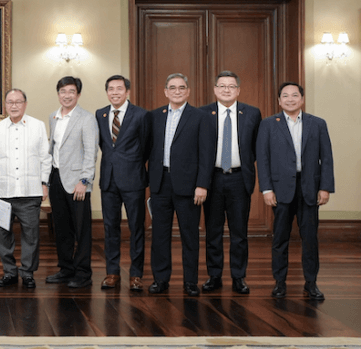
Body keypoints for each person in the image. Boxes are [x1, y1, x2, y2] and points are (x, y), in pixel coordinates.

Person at [256, 82, 334, 300]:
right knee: (280, 238)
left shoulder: (317, 124)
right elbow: (263, 160)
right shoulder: (268, 124)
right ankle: (279, 283)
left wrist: (325, 187)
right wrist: (267, 189)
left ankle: (311, 283)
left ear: (302, 99)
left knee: (310, 238)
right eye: (285, 96)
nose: (290, 99)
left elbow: (326, 158)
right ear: (279, 100)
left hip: (309, 187)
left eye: (294, 95)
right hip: (280, 189)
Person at [147, 73, 215, 296]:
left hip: (189, 186)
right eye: (172, 87)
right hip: (160, 183)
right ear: (165, 91)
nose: (177, 91)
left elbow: (207, 154)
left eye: (181, 87)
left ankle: (190, 282)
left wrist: (202, 184)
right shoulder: (154, 116)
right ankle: (160, 279)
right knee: (159, 235)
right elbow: (147, 150)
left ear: (188, 91)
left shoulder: (200, 116)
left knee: (189, 236)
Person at [200, 71, 261, 295]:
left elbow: (256, 148)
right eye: (222, 86)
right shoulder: (203, 113)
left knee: (239, 232)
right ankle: (214, 276)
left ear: (238, 90)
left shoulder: (252, 113)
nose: (227, 89)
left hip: (239, 178)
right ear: (215, 89)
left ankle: (238, 277)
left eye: (231, 86)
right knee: (213, 231)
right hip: (213, 179)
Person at [0, 88, 52, 288]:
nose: (14, 105)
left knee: (31, 235)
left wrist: (44, 183)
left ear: (25, 104)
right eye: (10, 102)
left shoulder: (38, 126)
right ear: (5, 105)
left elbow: (45, 158)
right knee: (2, 235)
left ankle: (28, 273)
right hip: (2, 193)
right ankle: (9, 272)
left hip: (29, 191)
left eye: (18, 102)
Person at [95, 75, 151, 291]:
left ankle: (136, 275)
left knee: (136, 227)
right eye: (111, 89)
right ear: (107, 92)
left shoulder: (141, 115)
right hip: (108, 180)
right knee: (110, 228)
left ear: (127, 91)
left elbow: (146, 146)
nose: (115, 92)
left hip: (133, 179)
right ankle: (112, 273)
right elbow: (104, 145)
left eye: (119, 88)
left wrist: (130, 164)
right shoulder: (100, 114)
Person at [46, 76, 98, 289]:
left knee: (81, 229)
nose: (66, 95)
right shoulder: (53, 117)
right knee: (62, 228)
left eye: (71, 91)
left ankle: (83, 272)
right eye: (62, 91)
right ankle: (66, 269)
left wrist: (84, 181)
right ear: (58, 93)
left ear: (77, 94)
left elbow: (91, 152)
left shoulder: (86, 118)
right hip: (56, 178)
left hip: (77, 182)